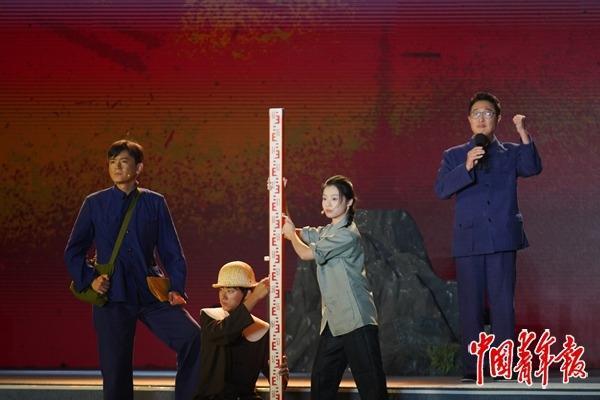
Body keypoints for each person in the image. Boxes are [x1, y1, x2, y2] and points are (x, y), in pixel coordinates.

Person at [64, 139, 201, 400]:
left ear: (138, 168)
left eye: (124, 161)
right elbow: (73, 251)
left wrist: (176, 288)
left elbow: (171, 251)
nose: (116, 167)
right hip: (112, 296)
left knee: (193, 338)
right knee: (115, 371)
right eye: (112, 162)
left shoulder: (155, 202)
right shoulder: (94, 203)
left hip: (150, 292)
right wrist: (90, 280)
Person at [434, 92, 542, 382]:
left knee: (503, 305)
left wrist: (523, 133)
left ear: (498, 119)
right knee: (470, 306)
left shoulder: (510, 152)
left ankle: (504, 366)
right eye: (477, 114)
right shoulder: (454, 155)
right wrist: (466, 166)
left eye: (488, 113)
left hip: (502, 239)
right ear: (469, 120)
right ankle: (474, 369)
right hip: (468, 241)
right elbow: (442, 189)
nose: (482, 118)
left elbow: (532, 167)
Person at [282, 175, 387, 400]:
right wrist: (280, 195)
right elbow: (290, 229)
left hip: (356, 319)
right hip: (334, 320)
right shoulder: (326, 231)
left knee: (372, 389)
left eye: (334, 199)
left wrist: (291, 235)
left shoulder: (347, 234)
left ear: (348, 202)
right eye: (324, 198)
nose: (327, 204)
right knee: (321, 383)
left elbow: (304, 252)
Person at [194, 261, 288, 400]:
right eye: (221, 290)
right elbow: (225, 333)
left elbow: (279, 384)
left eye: (230, 291)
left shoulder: (262, 330)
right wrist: (255, 297)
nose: (223, 296)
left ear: (247, 293)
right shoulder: (209, 316)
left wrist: (282, 374)